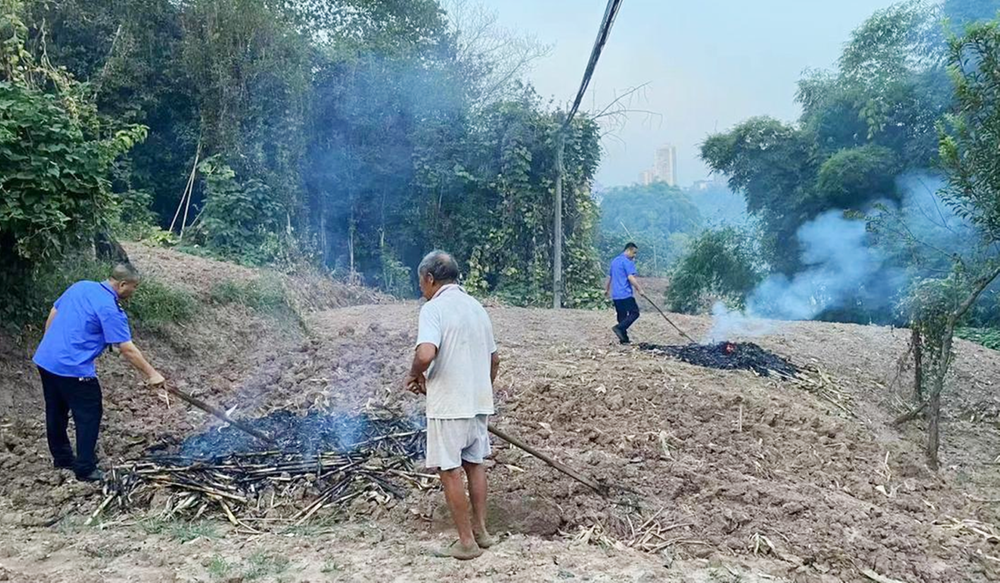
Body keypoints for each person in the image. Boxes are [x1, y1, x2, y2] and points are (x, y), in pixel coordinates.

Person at [404, 251, 500, 561]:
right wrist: (480, 390)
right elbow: (494, 359)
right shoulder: (476, 308)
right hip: (478, 404)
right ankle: (482, 532)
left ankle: (466, 543)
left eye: (422, 282)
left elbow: (426, 354)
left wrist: (414, 374)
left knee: (449, 470)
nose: (422, 289)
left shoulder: (434, 309)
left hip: (449, 406)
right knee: (475, 464)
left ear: (430, 279)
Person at [33, 264, 166, 482]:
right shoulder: (110, 309)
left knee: (55, 410)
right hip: (74, 369)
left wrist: (49, 344)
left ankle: (62, 458)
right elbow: (127, 349)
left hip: (47, 360)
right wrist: (152, 374)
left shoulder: (81, 286)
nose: (134, 291)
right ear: (122, 284)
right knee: (88, 415)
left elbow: (54, 311)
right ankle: (85, 468)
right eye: (134, 287)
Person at [606, 242, 642, 344]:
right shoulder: (627, 262)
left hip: (616, 295)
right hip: (625, 293)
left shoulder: (615, 261)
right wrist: (639, 289)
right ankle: (618, 328)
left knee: (621, 316)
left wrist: (607, 290)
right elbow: (630, 277)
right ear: (628, 250)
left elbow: (610, 277)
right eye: (634, 253)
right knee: (635, 313)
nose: (634, 256)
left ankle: (624, 339)